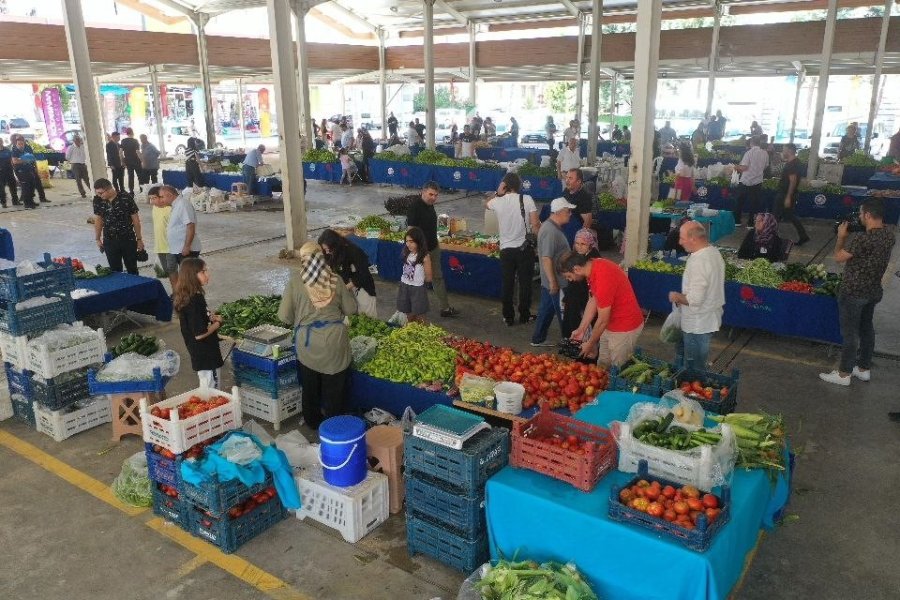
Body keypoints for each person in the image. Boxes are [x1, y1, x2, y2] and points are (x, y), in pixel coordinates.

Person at [277, 241, 357, 430]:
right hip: (335, 343)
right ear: (322, 257)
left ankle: (312, 421)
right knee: (335, 387)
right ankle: (334, 426)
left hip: (308, 344)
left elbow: (284, 316)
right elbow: (351, 309)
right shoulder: (335, 280)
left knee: (310, 386)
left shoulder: (296, 282)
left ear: (303, 260)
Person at [819, 199, 896, 386]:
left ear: (868, 215)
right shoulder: (889, 235)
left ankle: (844, 374)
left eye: (861, 214)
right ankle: (863, 369)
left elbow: (838, 257)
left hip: (853, 292)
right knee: (866, 328)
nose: (859, 218)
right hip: (873, 290)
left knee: (850, 333)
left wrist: (841, 237)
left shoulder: (862, 239)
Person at [563, 253, 644, 367]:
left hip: (624, 327)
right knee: (603, 364)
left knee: (618, 368)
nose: (570, 280)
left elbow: (602, 320)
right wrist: (581, 329)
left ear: (576, 269)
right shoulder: (593, 266)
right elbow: (593, 299)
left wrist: (590, 343)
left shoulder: (602, 278)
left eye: (569, 276)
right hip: (610, 324)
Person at [667, 221, 726, 371]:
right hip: (708, 319)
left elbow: (695, 300)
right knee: (691, 361)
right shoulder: (713, 252)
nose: (679, 242)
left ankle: (690, 392)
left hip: (697, 324)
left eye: (682, 238)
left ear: (693, 239)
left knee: (694, 369)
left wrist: (676, 297)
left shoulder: (700, 261)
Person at [487, 172, 541, 326]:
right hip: (524, 249)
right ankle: (524, 315)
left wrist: (498, 192)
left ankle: (508, 317)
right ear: (519, 185)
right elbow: (535, 225)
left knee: (508, 283)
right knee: (525, 284)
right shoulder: (527, 199)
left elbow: (486, 203)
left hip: (506, 250)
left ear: (505, 185)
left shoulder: (498, 201)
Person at [406, 181, 460, 318]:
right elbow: (410, 232)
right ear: (423, 192)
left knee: (438, 278)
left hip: (434, 248)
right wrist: (418, 253)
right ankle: (414, 312)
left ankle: (445, 308)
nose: (433, 198)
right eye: (431, 194)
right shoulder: (415, 207)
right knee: (418, 280)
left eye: (436, 195)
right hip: (422, 252)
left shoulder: (430, 206)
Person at [530, 198, 575, 347]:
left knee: (547, 310)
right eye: (568, 211)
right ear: (559, 212)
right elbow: (546, 258)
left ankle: (538, 338)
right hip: (556, 281)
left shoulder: (552, 227)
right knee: (564, 313)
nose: (570, 214)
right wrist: (553, 282)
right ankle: (569, 342)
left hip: (553, 281)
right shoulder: (550, 231)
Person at [174, 258, 224, 389]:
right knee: (212, 390)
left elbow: (196, 321)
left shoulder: (192, 296)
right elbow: (200, 334)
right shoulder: (194, 302)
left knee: (208, 385)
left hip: (201, 354)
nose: (208, 274)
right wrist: (218, 323)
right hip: (206, 356)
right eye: (203, 271)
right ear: (192, 276)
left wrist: (209, 317)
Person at [318, 229, 377, 318]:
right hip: (347, 288)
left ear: (335, 245)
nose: (327, 252)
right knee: (350, 316)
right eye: (325, 250)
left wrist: (345, 288)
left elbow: (363, 274)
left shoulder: (354, 252)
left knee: (366, 317)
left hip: (363, 287)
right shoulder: (331, 254)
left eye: (328, 249)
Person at [92, 178, 143, 274]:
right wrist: (98, 238)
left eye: (101, 193)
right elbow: (98, 220)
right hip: (110, 241)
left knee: (132, 269)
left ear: (109, 189)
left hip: (127, 239)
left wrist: (139, 239)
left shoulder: (126, 198)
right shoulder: (98, 200)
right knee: (115, 271)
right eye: (98, 193)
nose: (99, 195)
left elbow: (135, 220)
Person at [561, 228, 602, 338]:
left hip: (586, 299)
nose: (579, 246)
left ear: (590, 245)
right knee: (571, 321)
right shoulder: (575, 255)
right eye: (577, 243)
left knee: (584, 323)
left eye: (583, 244)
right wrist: (566, 298)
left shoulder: (593, 258)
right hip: (574, 297)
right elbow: (572, 282)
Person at [775, 143, 809, 246]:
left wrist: (788, 197)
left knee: (775, 216)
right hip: (787, 193)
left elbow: (793, 181)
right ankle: (803, 236)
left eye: (784, 149)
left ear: (789, 151)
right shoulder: (796, 162)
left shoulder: (792, 164)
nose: (782, 152)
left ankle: (770, 237)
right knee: (789, 215)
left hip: (785, 194)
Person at [160, 184, 201, 267]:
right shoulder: (176, 205)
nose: (161, 200)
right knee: (186, 276)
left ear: (169, 195)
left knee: (190, 277)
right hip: (179, 249)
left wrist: (187, 246)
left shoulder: (183, 204)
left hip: (187, 251)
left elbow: (190, 226)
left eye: (162, 197)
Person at [397, 226, 432, 323]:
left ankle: (423, 331)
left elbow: (429, 277)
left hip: (417, 288)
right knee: (407, 311)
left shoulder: (425, 256)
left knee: (420, 313)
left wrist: (419, 281)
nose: (408, 244)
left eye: (411, 242)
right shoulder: (406, 252)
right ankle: (410, 329)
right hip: (404, 285)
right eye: (407, 241)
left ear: (419, 241)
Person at [733, 136, 769, 229]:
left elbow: (744, 167)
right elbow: (765, 166)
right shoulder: (765, 153)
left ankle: (737, 221)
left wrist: (736, 167)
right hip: (757, 182)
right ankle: (751, 224)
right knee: (754, 204)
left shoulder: (749, 153)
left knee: (739, 202)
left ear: (751, 143)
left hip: (746, 181)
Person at [147, 186, 177, 290]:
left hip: (171, 247)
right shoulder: (155, 208)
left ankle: (178, 294)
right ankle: (177, 292)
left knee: (172, 270)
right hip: (160, 246)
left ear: (161, 197)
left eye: (154, 198)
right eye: (150, 199)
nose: (151, 202)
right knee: (168, 272)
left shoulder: (171, 209)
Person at [10, 137, 38, 209]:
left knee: (32, 185)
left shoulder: (26, 150)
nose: (20, 145)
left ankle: (31, 201)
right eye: (19, 144)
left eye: (22, 144)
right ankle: (27, 203)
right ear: (16, 144)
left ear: (24, 144)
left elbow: (32, 159)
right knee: (26, 187)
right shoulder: (15, 151)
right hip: (21, 171)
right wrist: (25, 160)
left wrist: (34, 166)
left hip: (29, 170)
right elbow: (15, 161)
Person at [65, 134, 90, 199]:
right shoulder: (71, 147)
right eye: (77, 140)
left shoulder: (83, 146)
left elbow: (86, 155)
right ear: (74, 140)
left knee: (87, 179)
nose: (79, 141)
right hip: (75, 165)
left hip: (83, 164)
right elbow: (67, 157)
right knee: (78, 180)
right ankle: (83, 193)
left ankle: (92, 191)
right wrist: (73, 161)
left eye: (79, 139)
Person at [120, 128, 142, 194]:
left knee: (130, 176)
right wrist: (142, 160)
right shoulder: (135, 141)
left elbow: (120, 152)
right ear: (132, 132)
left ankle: (131, 191)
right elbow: (137, 152)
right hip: (136, 161)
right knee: (140, 176)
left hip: (128, 161)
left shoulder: (123, 141)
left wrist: (122, 161)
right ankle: (141, 189)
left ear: (126, 133)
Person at [0, 138, 19, 207]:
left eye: (1, 141)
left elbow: (12, 159)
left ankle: (15, 201)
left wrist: (14, 167)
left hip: (9, 171)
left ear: (2, 142)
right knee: (1, 189)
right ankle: (3, 203)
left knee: (13, 187)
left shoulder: (7, 150)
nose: (0, 143)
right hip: (1, 173)